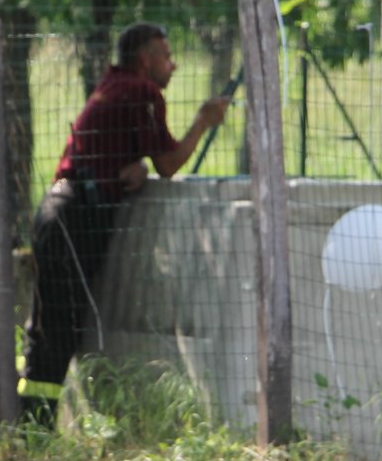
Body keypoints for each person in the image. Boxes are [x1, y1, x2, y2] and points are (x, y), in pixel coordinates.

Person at [19, 23, 229, 425]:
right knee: (59, 327)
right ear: (145, 59)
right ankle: (34, 425)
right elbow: (170, 165)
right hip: (76, 215)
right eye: (167, 56)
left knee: (48, 323)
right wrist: (203, 120)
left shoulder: (113, 86)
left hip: (59, 209)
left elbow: (125, 155)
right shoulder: (140, 91)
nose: (174, 65)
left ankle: (28, 418)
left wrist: (138, 166)